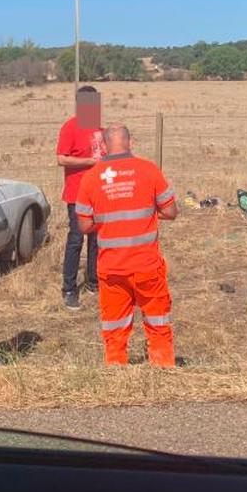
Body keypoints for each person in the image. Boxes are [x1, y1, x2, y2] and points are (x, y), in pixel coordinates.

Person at [75, 123, 178, 367]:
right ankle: (163, 368)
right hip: (147, 266)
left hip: (111, 269)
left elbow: (83, 225)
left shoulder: (91, 178)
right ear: (130, 143)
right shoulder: (149, 170)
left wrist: (108, 219)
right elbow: (171, 211)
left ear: (103, 146)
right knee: (158, 322)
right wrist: (148, 215)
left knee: (114, 328)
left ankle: (115, 371)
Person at [56, 85, 105, 309]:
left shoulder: (99, 130)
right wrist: (88, 162)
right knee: (76, 240)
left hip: (99, 195)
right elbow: (62, 159)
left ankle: (94, 282)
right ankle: (69, 289)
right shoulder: (70, 127)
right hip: (77, 195)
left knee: (96, 240)